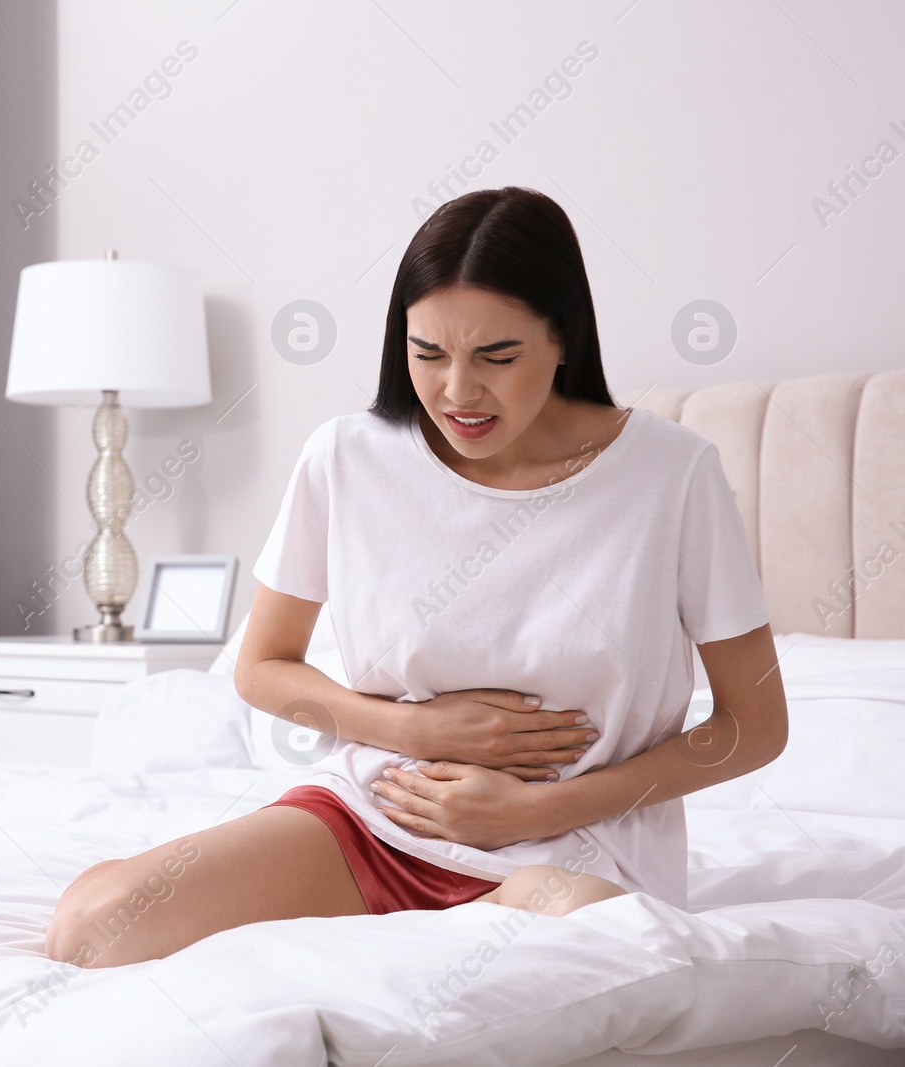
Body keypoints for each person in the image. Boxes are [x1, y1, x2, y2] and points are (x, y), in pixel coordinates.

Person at [44, 186, 789, 970]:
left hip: (573, 847)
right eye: (427, 353)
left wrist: (540, 806)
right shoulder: (346, 457)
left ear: (564, 337)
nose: (458, 392)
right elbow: (260, 668)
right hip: (376, 818)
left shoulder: (671, 475)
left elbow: (754, 722)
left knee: (588, 950)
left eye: (496, 357)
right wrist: (415, 729)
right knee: (93, 929)